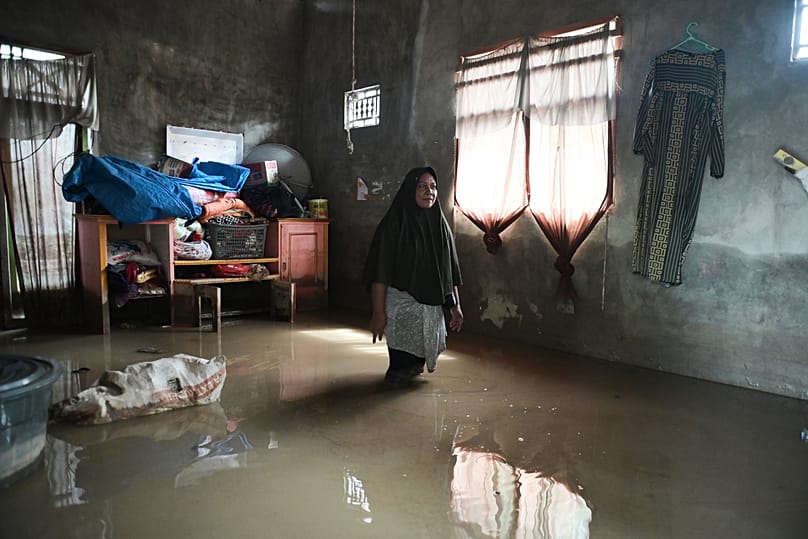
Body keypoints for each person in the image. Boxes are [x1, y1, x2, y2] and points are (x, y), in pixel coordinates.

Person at [362, 166, 463, 387]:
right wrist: (378, 312)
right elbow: (380, 272)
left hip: (431, 307)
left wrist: (455, 306)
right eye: (422, 186)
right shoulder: (394, 224)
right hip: (402, 306)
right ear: (410, 189)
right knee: (399, 370)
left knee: (416, 367)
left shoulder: (440, 226)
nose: (430, 191)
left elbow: (450, 272)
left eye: (433, 187)